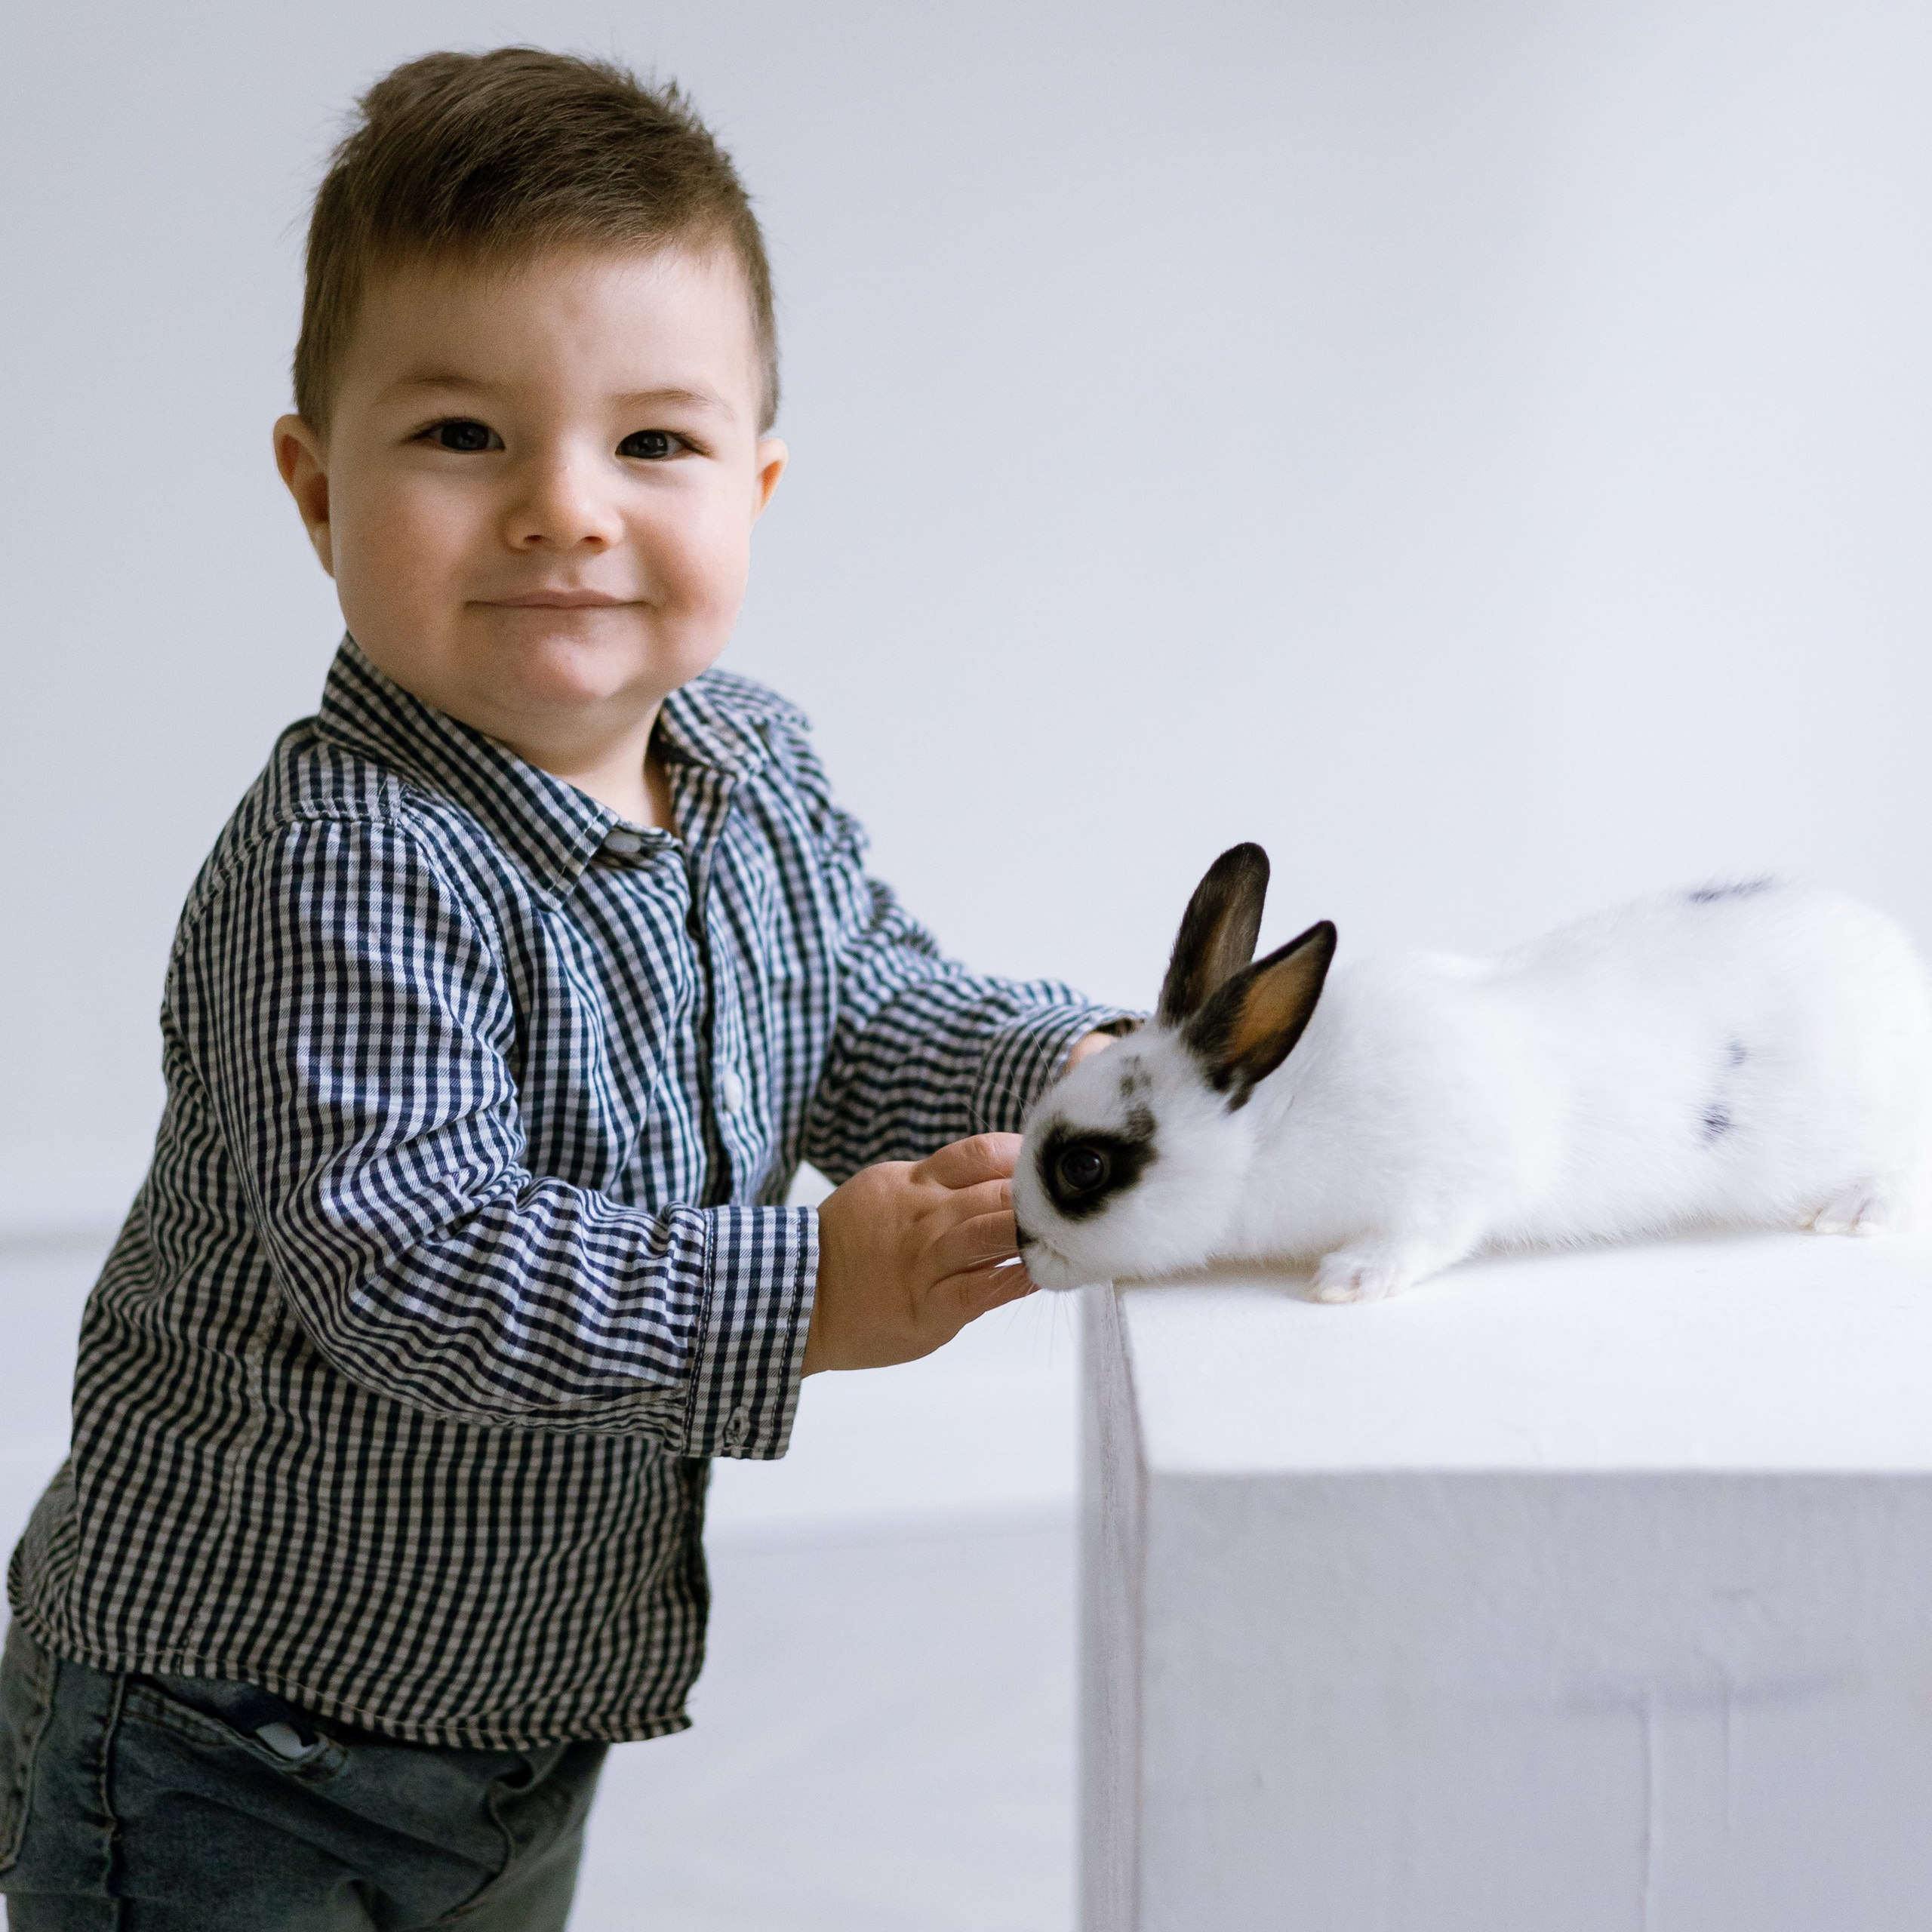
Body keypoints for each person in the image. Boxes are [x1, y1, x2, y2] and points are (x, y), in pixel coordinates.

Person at [0, 48, 1128, 1929]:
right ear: (314, 483)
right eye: (463, 437)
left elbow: (856, 1008)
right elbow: (415, 1262)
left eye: (653, 443)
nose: (562, 510)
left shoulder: (749, 768)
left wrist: (1086, 1073)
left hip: (510, 1689)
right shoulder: (351, 858)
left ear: (756, 484)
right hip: (233, 1726)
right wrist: (811, 1288)